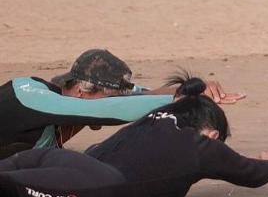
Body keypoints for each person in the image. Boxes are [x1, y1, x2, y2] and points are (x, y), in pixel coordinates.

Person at [0, 76, 268, 197]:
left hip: (55, 160)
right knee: (8, 192)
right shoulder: (198, 143)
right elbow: (253, 174)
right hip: (100, 188)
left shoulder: (145, 124)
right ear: (211, 133)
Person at [0, 48, 243, 159]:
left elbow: (141, 97)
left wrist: (194, 91)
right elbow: (108, 109)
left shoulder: (75, 103)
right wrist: (177, 101)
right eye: (110, 97)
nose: (115, 103)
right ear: (81, 91)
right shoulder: (30, 94)